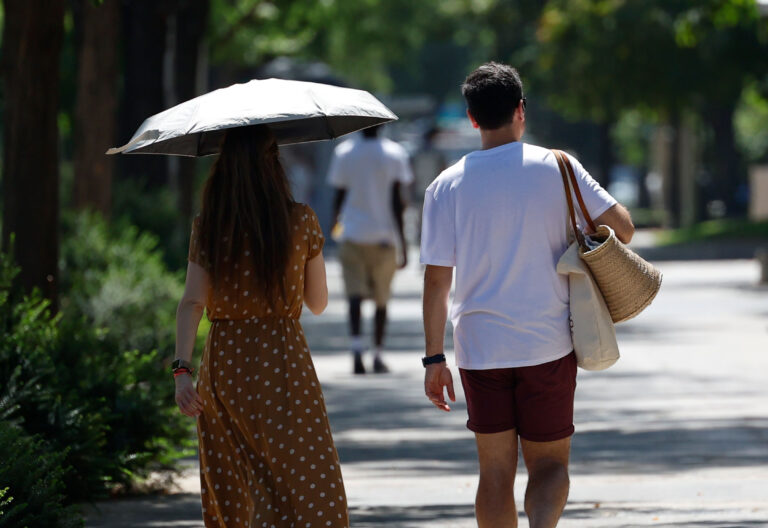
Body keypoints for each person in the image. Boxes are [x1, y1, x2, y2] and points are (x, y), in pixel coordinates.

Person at [420, 62, 634, 528]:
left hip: (479, 350)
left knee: (494, 473)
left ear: (472, 118)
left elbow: (437, 282)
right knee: (550, 465)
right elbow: (624, 228)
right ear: (521, 110)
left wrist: (433, 359)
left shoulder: (444, 186)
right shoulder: (558, 167)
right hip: (548, 344)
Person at [173, 125, 349, 528]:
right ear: (275, 164)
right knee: (301, 477)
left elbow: (192, 302)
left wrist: (182, 372)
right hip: (283, 360)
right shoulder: (301, 219)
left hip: (226, 363)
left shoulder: (210, 225)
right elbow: (318, 303)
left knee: (237, 480)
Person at [328, 125, 413, 374]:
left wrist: (334, 227)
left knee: (354, 296)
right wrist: (403, 245)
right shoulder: (394, 153)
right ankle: (377, 354)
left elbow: (339, 195)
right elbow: (398, 202)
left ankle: (356, 350)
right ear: (383, 126)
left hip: (352, 234)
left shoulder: (344, 152)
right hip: (384, 237)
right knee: (381, 300)